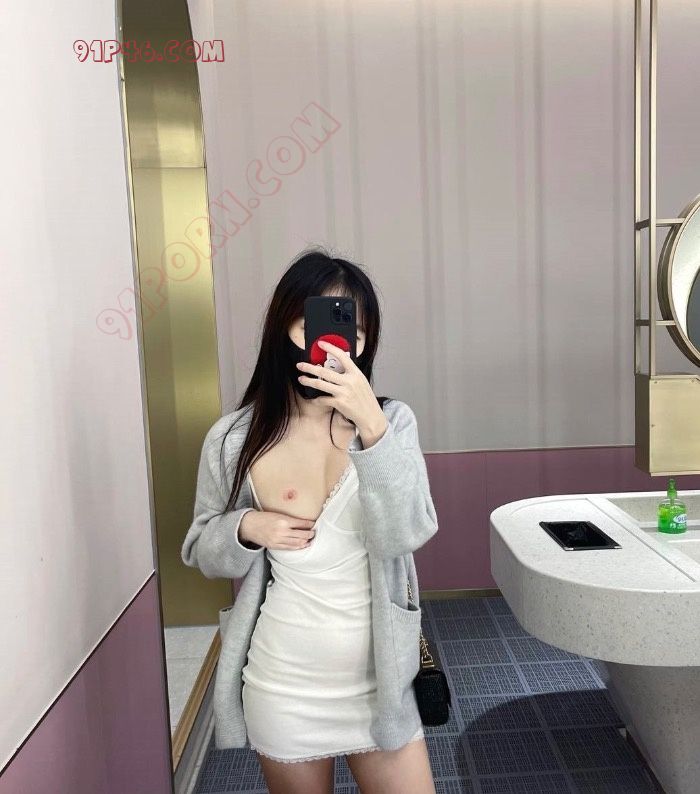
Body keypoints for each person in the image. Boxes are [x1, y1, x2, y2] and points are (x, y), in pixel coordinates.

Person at [182, 247, 439, 794]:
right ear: (284, 329)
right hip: (284, 684)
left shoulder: (392, 423)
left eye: (354, 332)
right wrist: (245, 528)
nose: (337, 343)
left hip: (382, 684)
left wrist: (371, 425)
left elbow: (407, 532)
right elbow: (202, 550)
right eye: (315, 323)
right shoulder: (234, 439)